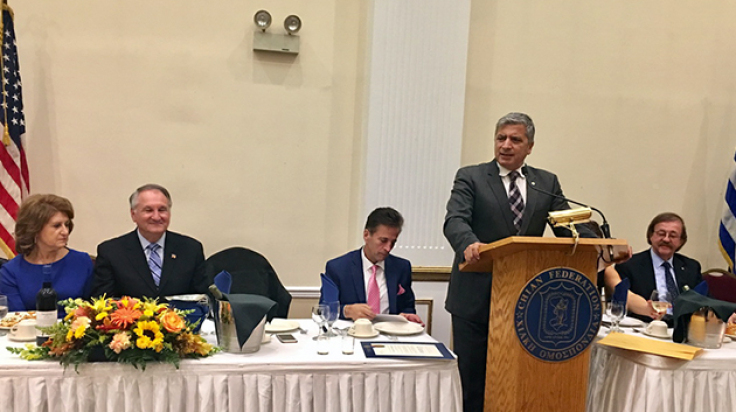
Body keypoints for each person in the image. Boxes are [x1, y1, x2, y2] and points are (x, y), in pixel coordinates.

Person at [443, 112, 596, 412]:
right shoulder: (471, 177)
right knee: (473, 384)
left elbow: (566, 226)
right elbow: (455, 220)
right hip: (475, 298)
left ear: (530, 146)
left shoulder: (546, 182)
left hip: (524, 302)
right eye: (501, 138)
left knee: (517, 380)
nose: (506, 145)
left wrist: (599, 245)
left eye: (515, 139)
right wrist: (469, 243)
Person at [90, 184, 207, 300]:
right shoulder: (111, 252)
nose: (156, 217)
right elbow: (103, 302)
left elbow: (202, 299)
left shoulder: (191, 249)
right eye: (148, 210)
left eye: (162, 210)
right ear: (133, 215)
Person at [321, 207, 422, 324]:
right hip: (353, 331)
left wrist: (407, 315)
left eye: (393, 242)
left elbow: (407, 306)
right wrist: (347, 311)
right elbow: (325, 309)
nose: (388, 248)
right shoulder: (338, 267)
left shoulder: (401, 267)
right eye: (383, 240)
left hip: (390, 331)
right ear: (366, 235)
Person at [0, 194, 93, 314]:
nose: (65, 231)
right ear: (35, 229)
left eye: (67, 224)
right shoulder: (10, 272)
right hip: (29, 326)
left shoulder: (82, 262)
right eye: (57, 226)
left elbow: (94, 309)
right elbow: (16, 318)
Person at [604, 212, 701, 324]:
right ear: (651, 236)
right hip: (643, 327)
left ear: (681, 241)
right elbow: (619, 302)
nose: (666, 239)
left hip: (682, 329)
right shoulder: (629, 265)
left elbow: (703, 301)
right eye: (661, 234)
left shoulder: (691, 267)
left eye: (673, 236)